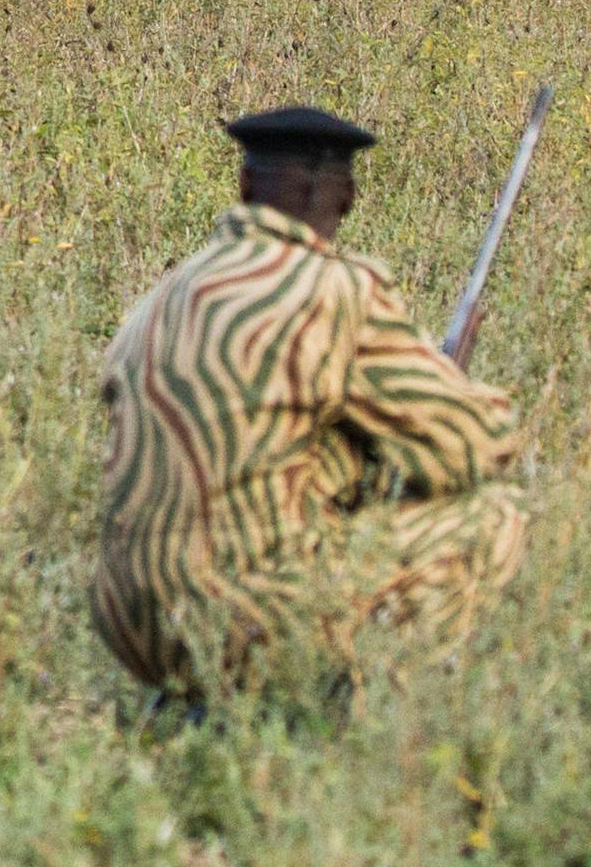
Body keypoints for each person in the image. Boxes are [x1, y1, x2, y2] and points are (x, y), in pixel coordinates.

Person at [93, 105, 528, 697]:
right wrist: (451, 386)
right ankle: (370, 712)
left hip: (128, 627)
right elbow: (473, 447)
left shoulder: (162, 294)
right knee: (495, 515)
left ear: (245, 186)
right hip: (243, 621)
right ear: (347, 197)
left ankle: (199, 709)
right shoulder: (336, 288)